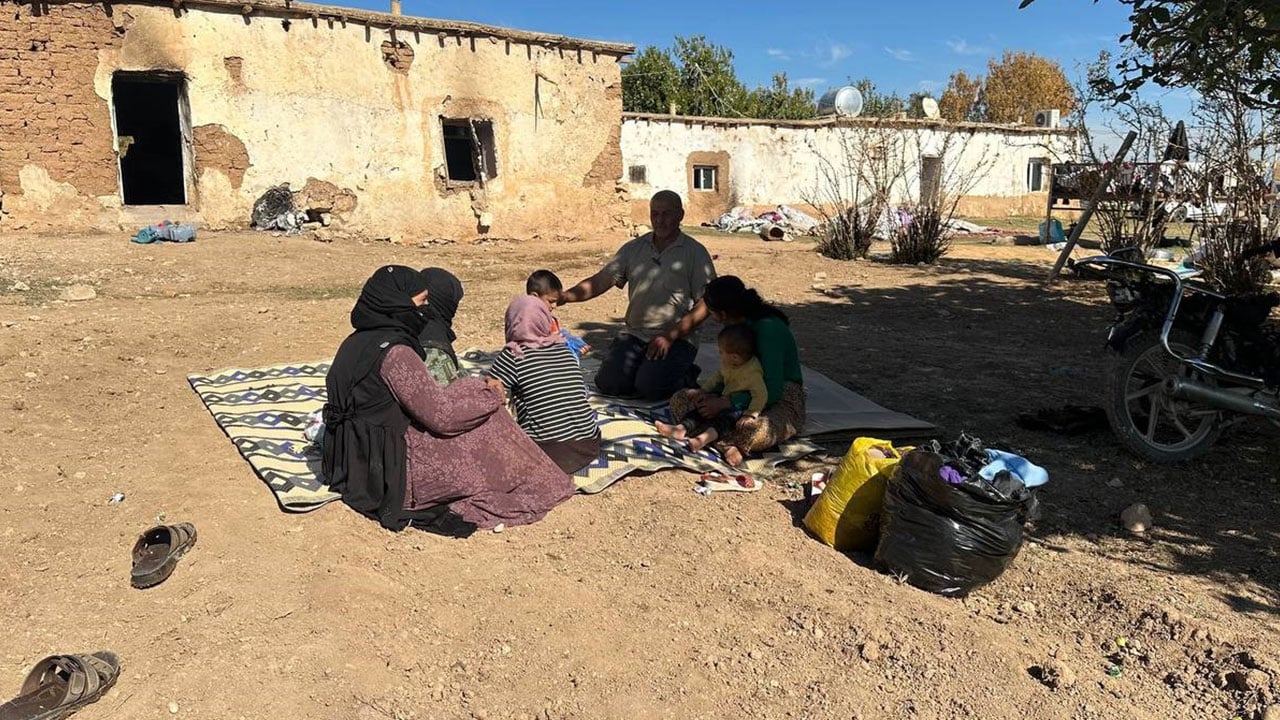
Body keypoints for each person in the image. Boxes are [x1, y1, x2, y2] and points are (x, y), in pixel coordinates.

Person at [321, 265, 575, 534]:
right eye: (421, 302)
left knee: (468, 389)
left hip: (352, 459)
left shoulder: (356, 342)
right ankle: (537, 477)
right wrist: (492, 398)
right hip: (389, 471)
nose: (426, 308)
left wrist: (473, 391)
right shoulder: (397, 354)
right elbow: (443, 419)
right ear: (398, 303)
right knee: (489, 423)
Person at [559, 190, 716, 400]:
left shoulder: (695, 252)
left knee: (650, 389)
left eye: (667, 214)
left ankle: (686, 375)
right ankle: (647, 370)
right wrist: (564, 297)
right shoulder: (634, 248)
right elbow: (600, 281)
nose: (660, 220)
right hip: (636, 334)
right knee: (608, 383)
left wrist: (670, 335)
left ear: (680, 215)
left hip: (677, 337)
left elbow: (706, 304)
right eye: (655, 214)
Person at [669, 276, 805, 467]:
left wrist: (727, 403)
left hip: (776, 397)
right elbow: (730, 373)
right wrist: (709, 394)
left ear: (723, 314)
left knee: (754, 430)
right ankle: (726, 443)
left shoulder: (768, 330)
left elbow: (773, 390)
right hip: (736, 390)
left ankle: (713, 438)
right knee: (681, 399)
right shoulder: (737, 329)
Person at [487, 294, 602, 474]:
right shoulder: (564, 348)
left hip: (550, 454)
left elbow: (491, 386)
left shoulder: (514, 354)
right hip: (590, 445)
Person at [655, 324, 767, 452]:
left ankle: (703, 439)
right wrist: (704, 391)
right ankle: (681, 429)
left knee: (725, 420)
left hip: (739, 408)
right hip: (725, 396)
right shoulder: (729, 363)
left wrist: (751, 414)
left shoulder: (752, 374)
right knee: (701, 408)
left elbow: (761, 394)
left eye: (721, 352)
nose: (720, 354)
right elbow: (717, 376)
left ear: (734, 357)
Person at [526, 269, 589, 359]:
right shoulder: (527, 323)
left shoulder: (551, 321)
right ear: (534, 297)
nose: (555, 306)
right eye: (551, 301)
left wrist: (575, 347)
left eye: (556, 301)